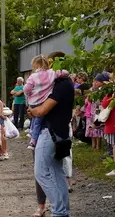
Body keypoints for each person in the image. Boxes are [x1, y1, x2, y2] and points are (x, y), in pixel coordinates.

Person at [29, 51, 74, 217]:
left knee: (41, 173)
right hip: (59, 133)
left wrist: (32, 111)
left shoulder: (62, 83)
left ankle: (59, 211)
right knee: (57, 174)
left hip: (51, 133)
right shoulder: (63, 82)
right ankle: (61, 212)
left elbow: (42, 110)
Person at [24, 55, 69, 150]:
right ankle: (32, 132)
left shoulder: (33, 76)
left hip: (34, 101)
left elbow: (27, 89)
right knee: (37, 121)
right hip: (45, 100)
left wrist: (28, 94)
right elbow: (63, 73)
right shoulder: (52, 73)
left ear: (35, 65)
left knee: (36, 121)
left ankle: (33, 140)